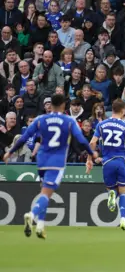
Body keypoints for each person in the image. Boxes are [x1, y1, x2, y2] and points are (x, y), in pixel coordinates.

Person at [2, 94, 96, 239]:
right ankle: (32, 215)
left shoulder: (40, 120)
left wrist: (11, 152)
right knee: (47, 194)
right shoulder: (69, 120)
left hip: (41, 160)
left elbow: (24, 137)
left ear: (50, 105)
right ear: (64, 106)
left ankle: (40, 225)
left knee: (44, 191)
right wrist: (92, 154)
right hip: (56, 162)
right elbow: (82, 141)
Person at [86, 99, 125, 231]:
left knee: (112, 190)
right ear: (124, 110)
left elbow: (92, 143)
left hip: (107, 162)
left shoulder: (101, 125)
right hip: (122, 161)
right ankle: (123, 219)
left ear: (112, 109)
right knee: (124, 192)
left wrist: (89, 159)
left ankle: (112, 194)